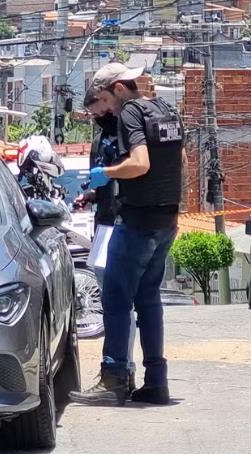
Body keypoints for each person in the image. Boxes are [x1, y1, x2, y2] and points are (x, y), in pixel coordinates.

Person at [70, 63, 185, 406]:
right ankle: (156, 383)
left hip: (136, 221)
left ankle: (114, 379)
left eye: (105, 99)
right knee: (149, 302)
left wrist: (105, 173)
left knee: (117, 301)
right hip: (165, 219)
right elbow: (179, 160)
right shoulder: (164, 109)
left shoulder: (130, 113)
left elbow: (141, 163)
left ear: (119, 89)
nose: (107, 109)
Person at [72, 87, 137, 398]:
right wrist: (89, 194)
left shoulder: (128, 134)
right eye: (94, 115)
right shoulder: (100, 140)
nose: (100, 119)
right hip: (105, 221)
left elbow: (134, 173)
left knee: (118, 302)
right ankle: (119, 370)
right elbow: (100, 180)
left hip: (124, 221)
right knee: (109, 295)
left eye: (102, 111)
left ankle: (120, 371)